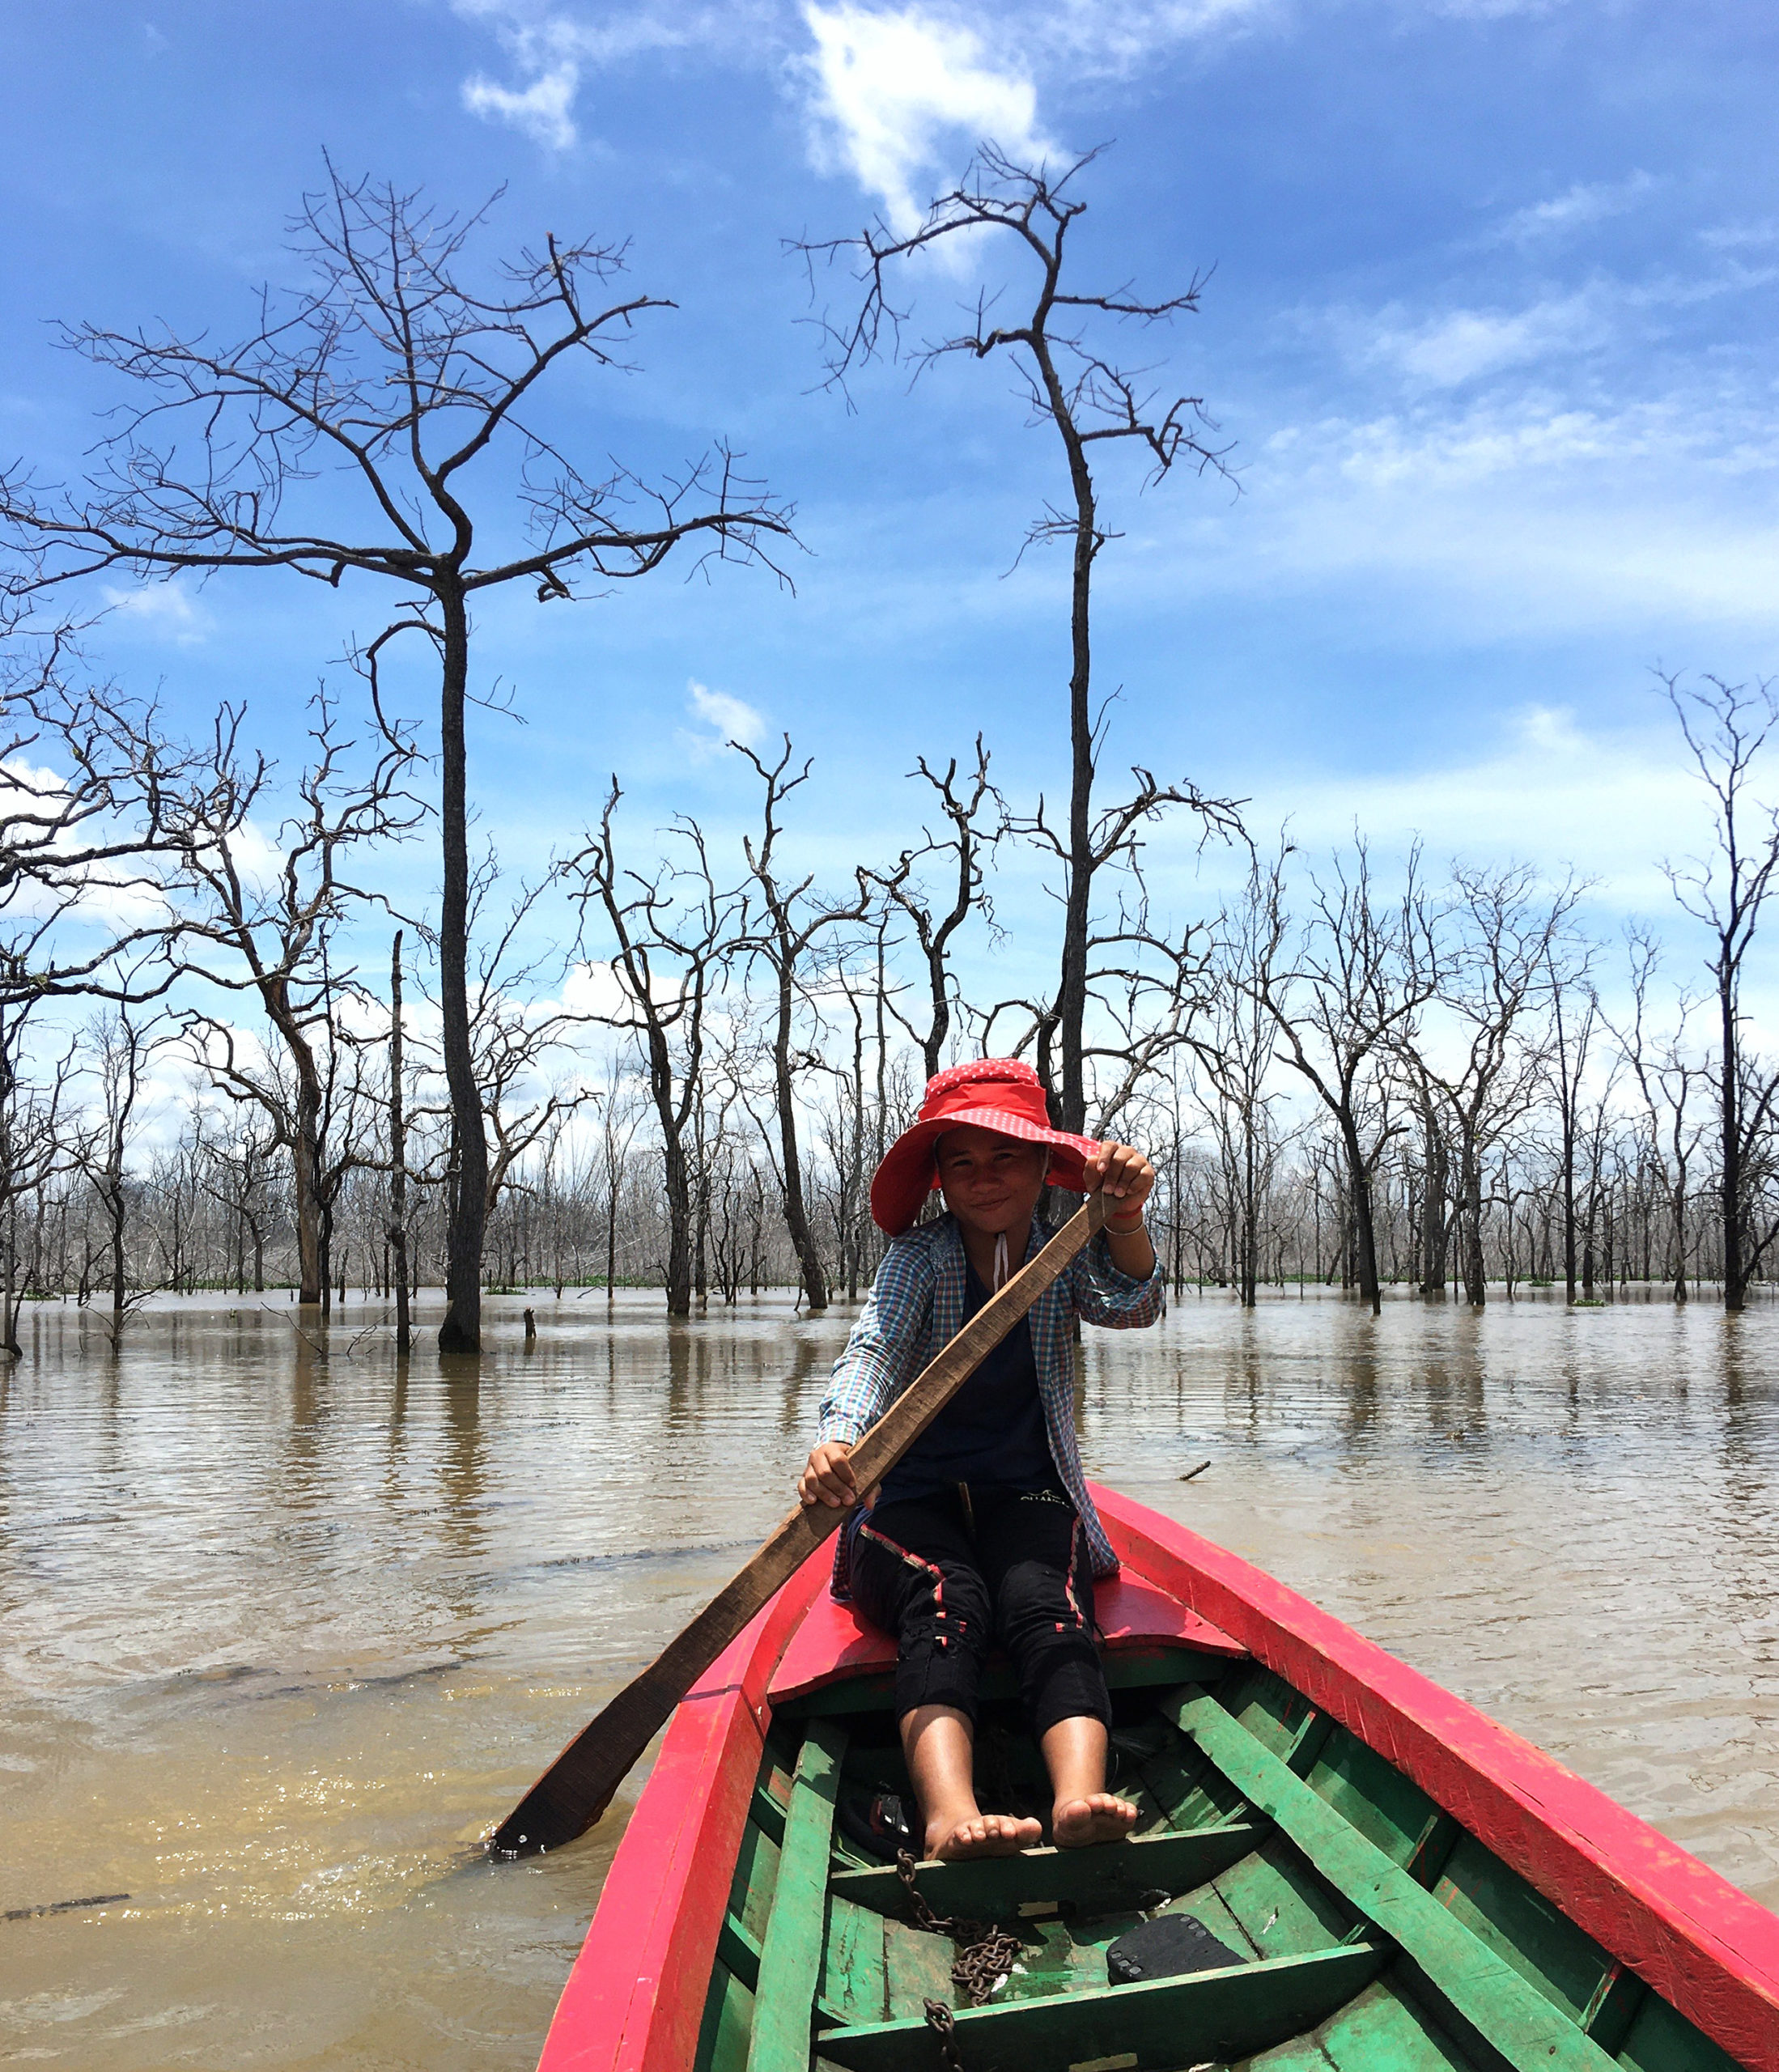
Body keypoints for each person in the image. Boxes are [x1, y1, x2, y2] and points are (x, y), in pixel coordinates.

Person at [798, 1058, 1165, 1862]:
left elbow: (1132, 1305)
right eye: (960, 1161)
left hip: (1026, 1495)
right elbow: (875, 1347)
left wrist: (1125, 1216)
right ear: (938, 1179)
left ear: (1043, 1167)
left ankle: (1076, 1797)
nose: (983, 1178)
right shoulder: (918, 1257)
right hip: (909, 1502)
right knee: (945, 1597)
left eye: (1004, 1157)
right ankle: (947, 1816)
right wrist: (839, 1439)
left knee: (1046, 1602)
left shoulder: (1059, 1250)